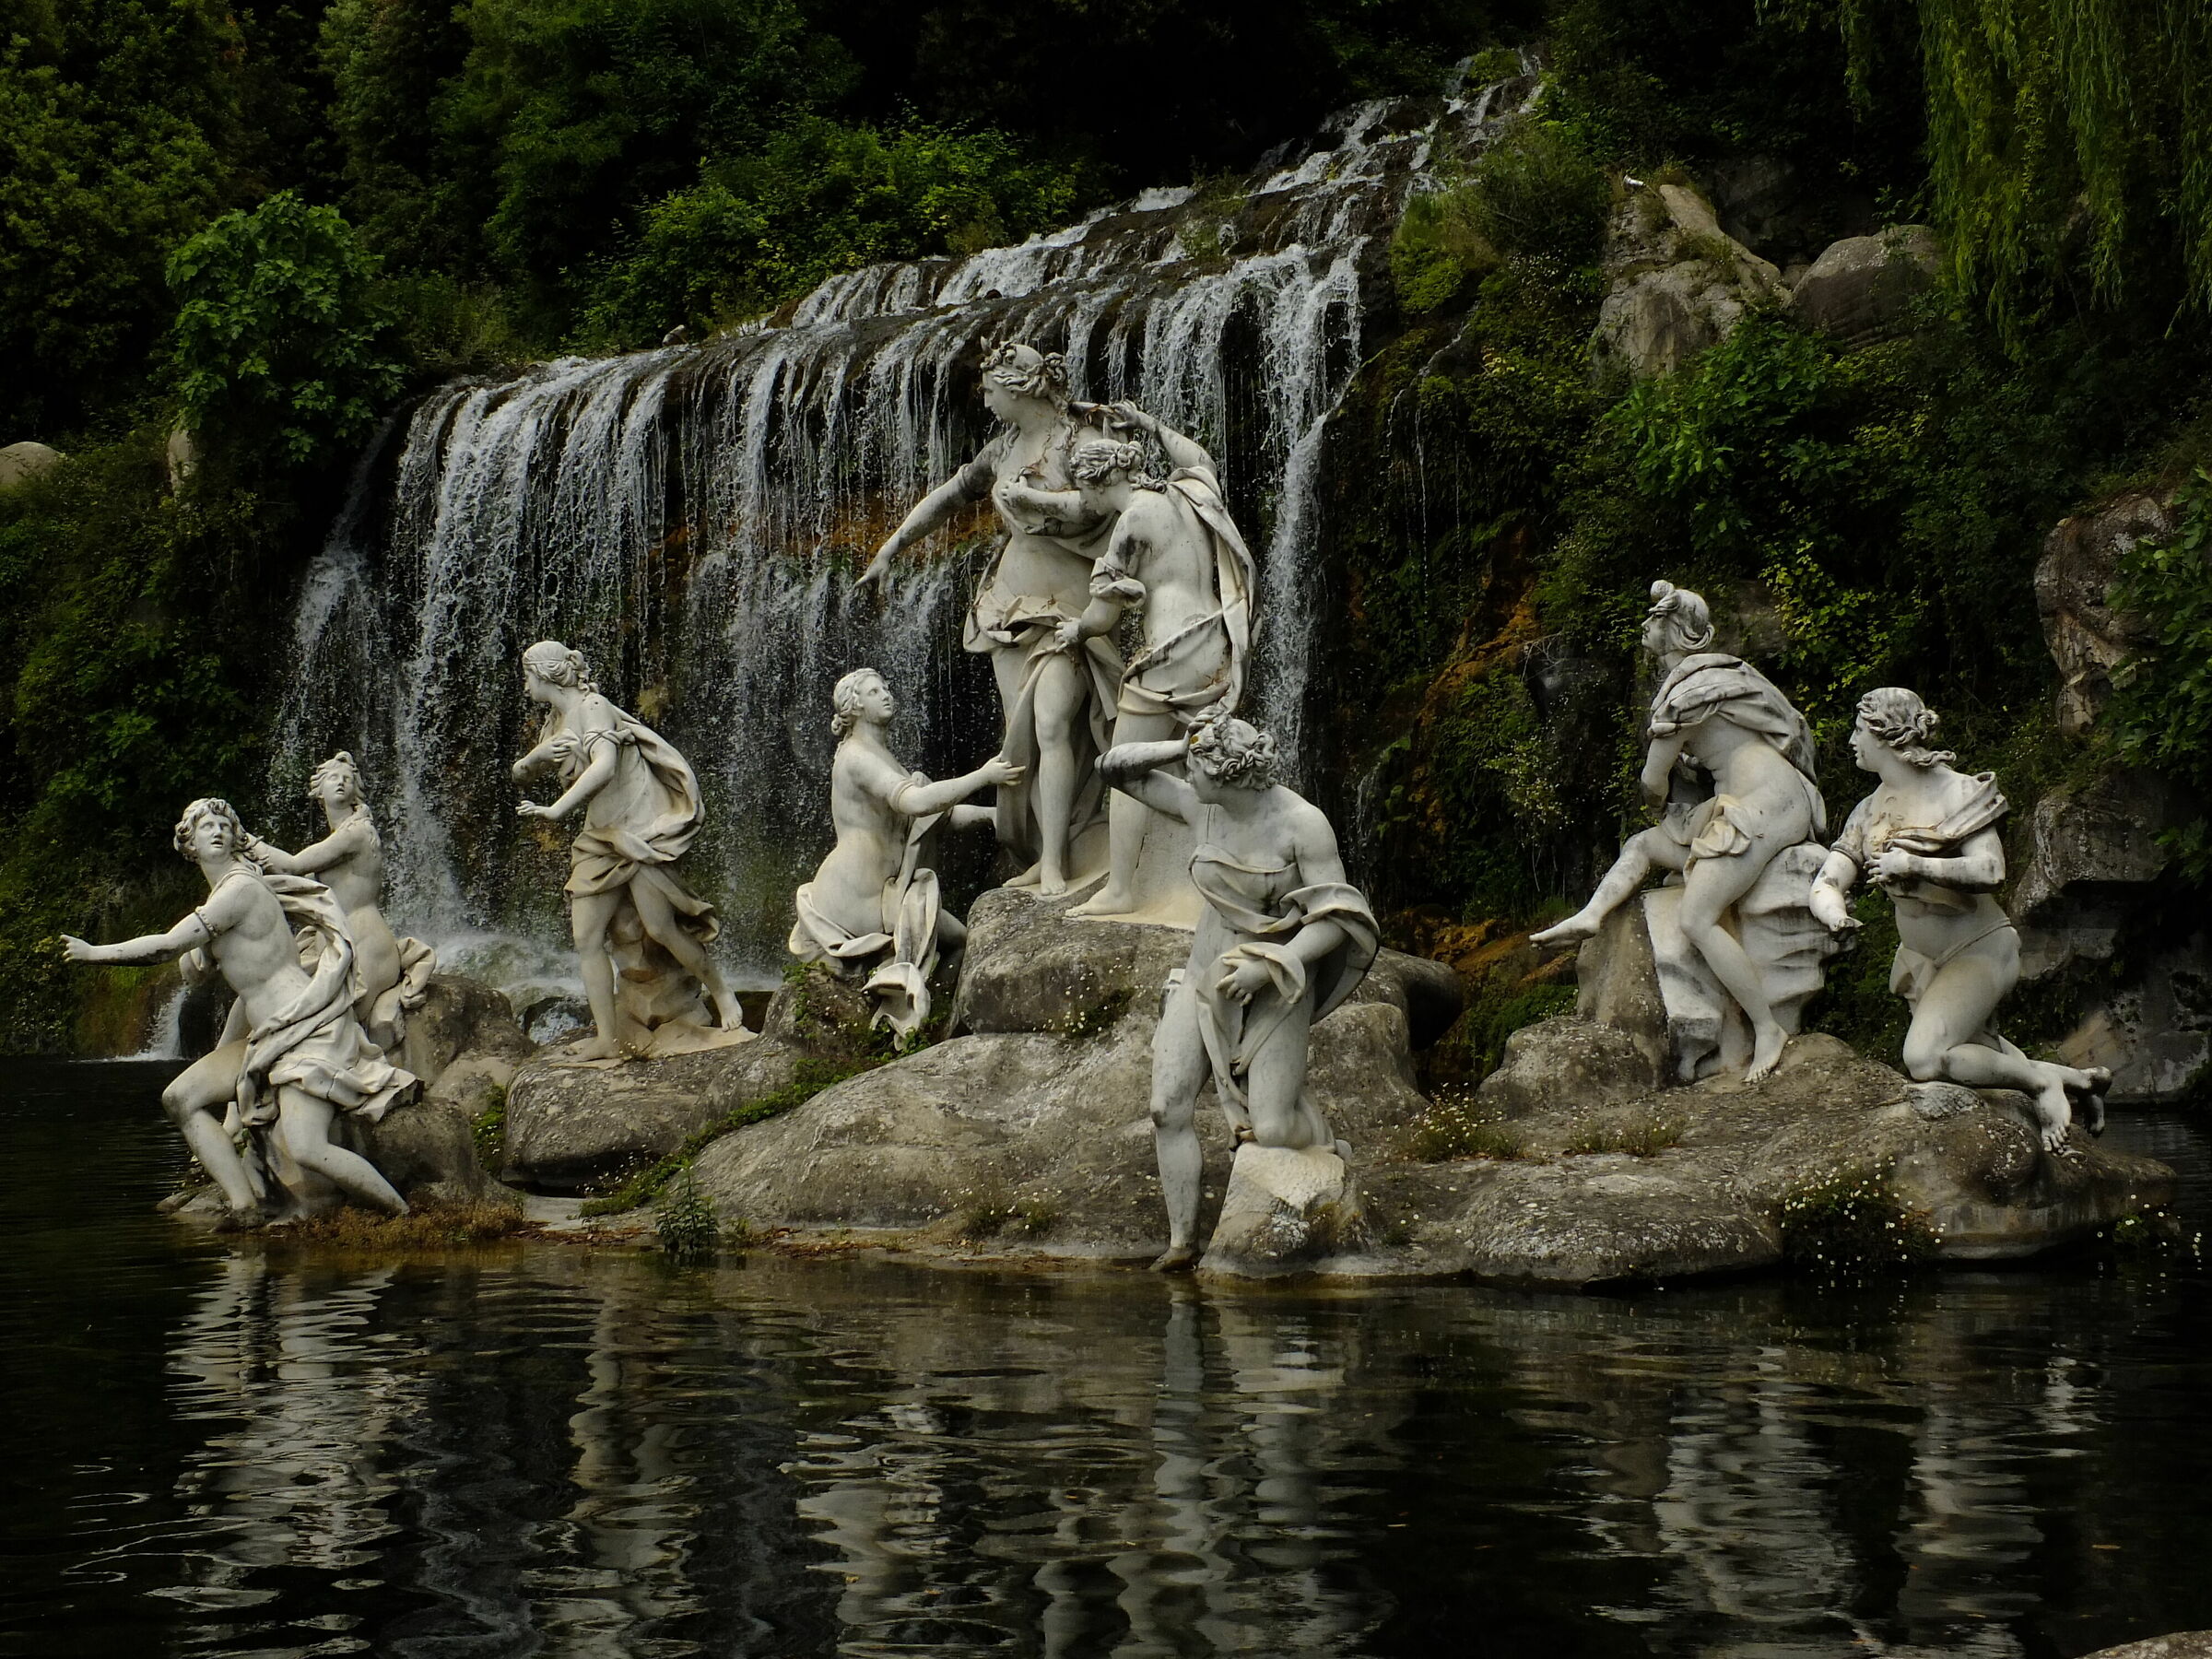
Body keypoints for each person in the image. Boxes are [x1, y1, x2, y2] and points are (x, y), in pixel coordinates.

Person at [859, 341, 1213, 897]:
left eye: (991, 391)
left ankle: (1055, 863)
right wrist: (890, 548)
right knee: (1021, 734)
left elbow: (1102, 503)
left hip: (1069, 607)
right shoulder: (1001, 450)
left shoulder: (1083, 441)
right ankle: (1043, 850)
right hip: (1006, 608)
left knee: (1052, 724)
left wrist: (1033, 501)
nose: (986, 402)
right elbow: (949, 496)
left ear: (1021, 388)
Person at [1099, 718, 1379, 1271]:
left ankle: (1321, 1135)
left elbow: (1341, 917)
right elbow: (1114, 769)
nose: (1185, 775)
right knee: (1165, 1107)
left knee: (1272, 1131)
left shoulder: (1302, 824)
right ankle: (1182, 1244)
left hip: (1275, 982)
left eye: (1194, 768)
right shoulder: (1200, 805)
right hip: (1205, 974)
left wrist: (1273, 965)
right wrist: (1183, 744)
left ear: (1227, 774)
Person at [61, 798, 414, 1224]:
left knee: (307, 1147)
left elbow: (166, 946)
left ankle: (405, 1217)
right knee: (180, 1099)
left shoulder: (241, 889)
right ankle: (244, 1207)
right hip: (268, 1036)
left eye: (224, 826)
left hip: (308, 1028)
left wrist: (95, 953)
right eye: (206, 826)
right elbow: (202, 966)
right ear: (189, 844)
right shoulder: (224, 896)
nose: (218, 831)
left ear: (235, 839)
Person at [1532, 581, 1826, 1082]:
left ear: (1670, 630)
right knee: (1643, 845)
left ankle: (1767, 1028)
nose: (1644, 625)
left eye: (1653, 619)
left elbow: (1651, 781)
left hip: (1761, 805)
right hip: (1764, 794)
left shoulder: (1685, 696)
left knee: (1697, 918)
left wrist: (1665, 800)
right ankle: (1592, 915)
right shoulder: (1726, 674)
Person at [1810, 688, 2110, 1151]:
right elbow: (1828, 880)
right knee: (1975, 1053)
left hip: (1979, 948)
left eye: (1858, 730)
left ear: (1888, 735)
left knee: (1925, 1058)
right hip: (1921, 959)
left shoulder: (1959, 792)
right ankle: (2078, 1080)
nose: (1851, 741)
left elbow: (1990, 870)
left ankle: (2040, 1083)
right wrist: (1834, 915)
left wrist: (1915, 865)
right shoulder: (1867, 811)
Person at [1056, 431, 1258, 918]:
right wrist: (1147, 421)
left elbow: (1103, 614)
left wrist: (1076, 630)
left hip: (1169, 653)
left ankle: (1121, 889)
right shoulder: (1186, 492)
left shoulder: (1131, 521)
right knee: (1214, 759)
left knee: (1123, 764)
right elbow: (1203, 459)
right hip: (1214, 638)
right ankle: (1239, 875)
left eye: (1082, 490)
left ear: (1097, 481)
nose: (1083, 503)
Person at [512, 640, 743, 1060]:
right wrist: (534, 758)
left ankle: (722, 992)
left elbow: (604, 766)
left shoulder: (594, 707)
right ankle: (606, 1038)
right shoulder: (556, 721)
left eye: (527, 675)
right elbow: (521, 775)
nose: (525, 685)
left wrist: (557, 809)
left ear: (546, 674)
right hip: (599, 836)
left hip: (638, 831)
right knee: (585, 937)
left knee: (661, 928)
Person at [789, 668, 1022, 1035]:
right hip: (854, 896)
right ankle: (914, 1021)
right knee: (954, 942)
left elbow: (936, 817)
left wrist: (991, 815)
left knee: (959, 943)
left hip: (885, 891)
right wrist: (982, 776)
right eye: (874, 691)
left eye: (886, 687)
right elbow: (916, 803)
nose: (886, 694)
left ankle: (933, 1022)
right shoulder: (857, 757)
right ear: (855, 706)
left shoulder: (882, 756)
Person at [245, 751, 432, 1053]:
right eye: (334, 777)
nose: (342, 782)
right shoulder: (341, 834)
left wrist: (243, 840)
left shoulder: (355, 833)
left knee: (326, 1030)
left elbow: (293, 866)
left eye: (348, 778)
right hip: (338, 942)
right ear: (319, 790)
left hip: (364, 944)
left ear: (356, 790)